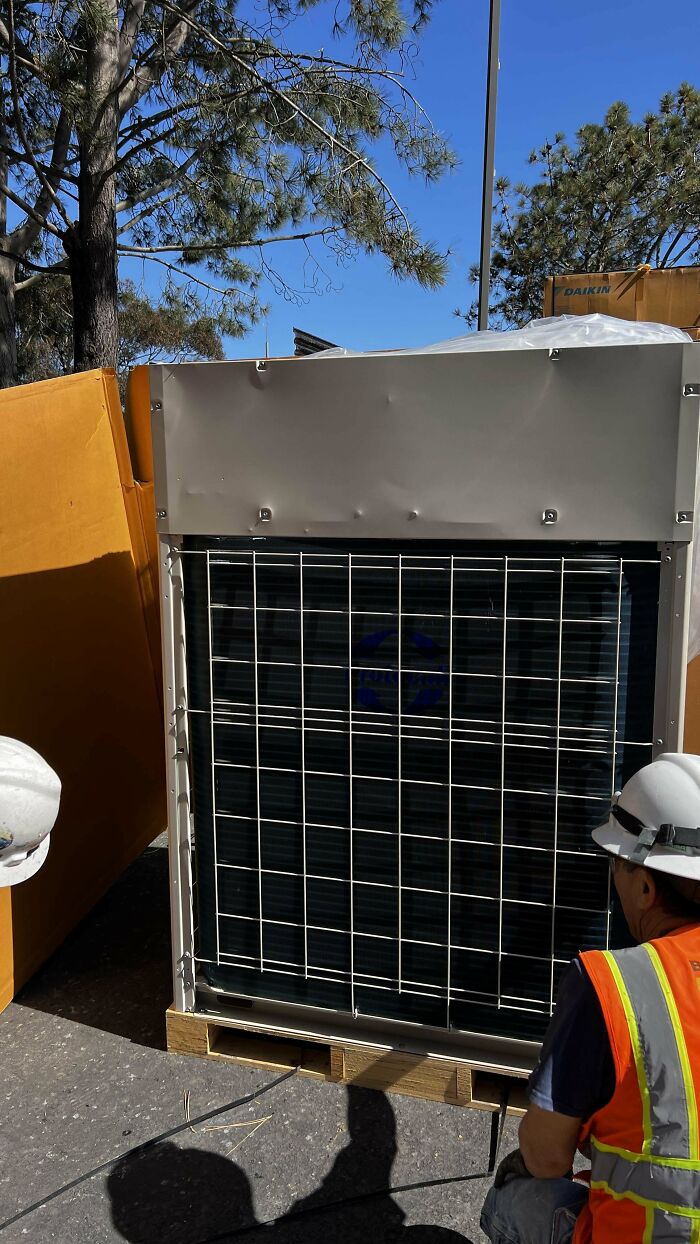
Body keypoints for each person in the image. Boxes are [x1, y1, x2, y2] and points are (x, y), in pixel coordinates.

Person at [480, 752, 700, 1244]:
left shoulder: (615, 987)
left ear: (645, 885)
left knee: (519, 1187)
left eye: (616, 866)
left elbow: (547, 1157)